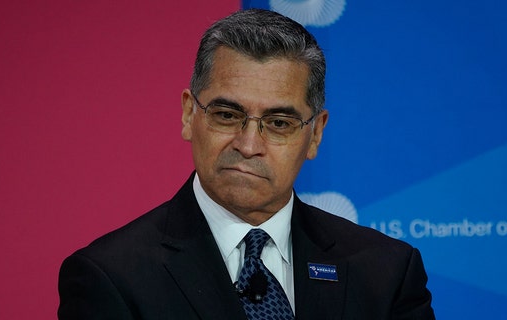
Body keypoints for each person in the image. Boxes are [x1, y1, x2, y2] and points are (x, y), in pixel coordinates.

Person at [58, 8, 435, 320]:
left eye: (279, 124)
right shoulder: (110, 277)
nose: (249, 144)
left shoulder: (386, 273)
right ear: (190, 114)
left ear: (315, 135)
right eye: (226, 114)